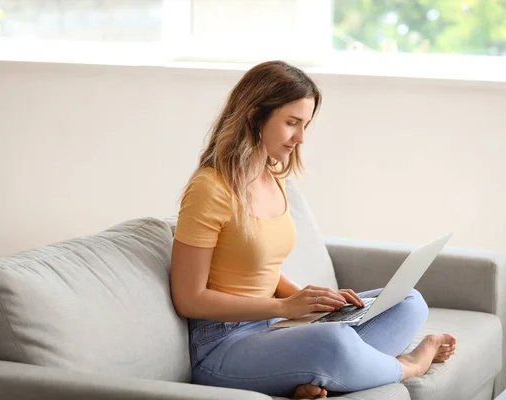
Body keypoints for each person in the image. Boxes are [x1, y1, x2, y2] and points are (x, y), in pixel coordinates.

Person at [170, 60, 457, 399]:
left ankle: (323, 372)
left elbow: (260, 267)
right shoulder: (209, 188)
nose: (301, 138)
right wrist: (283, 307)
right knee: (333, 341)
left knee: (408, 301)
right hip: (221, 346)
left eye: (305, 124)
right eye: (292, 123)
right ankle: (406, 365)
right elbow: (189, 299)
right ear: (253, 115)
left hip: (272, 330)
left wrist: (314, 301)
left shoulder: (273, 177)